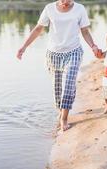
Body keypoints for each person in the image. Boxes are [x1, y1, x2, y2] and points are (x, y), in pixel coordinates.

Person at [16, 0, 100, 131]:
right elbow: (38, 29)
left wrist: (93, 46)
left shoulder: (80, 9)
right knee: (57, 88)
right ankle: (61, 110)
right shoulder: (49, 8)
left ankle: (64, 118)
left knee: (69, 84)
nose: (65, 2)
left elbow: (85, 31)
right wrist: (24, 47)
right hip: (53, 54)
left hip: (74, 51)